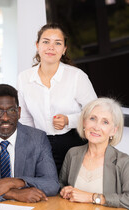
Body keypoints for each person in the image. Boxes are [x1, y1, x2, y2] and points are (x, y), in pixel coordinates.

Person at [17, 23, 97, 175]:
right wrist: (31, 144)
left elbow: (95, 114)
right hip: (39, 144)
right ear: (37, 45)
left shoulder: (77, 76)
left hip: (74, 144)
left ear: (64, 49)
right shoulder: (24, 78)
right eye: (46, 41)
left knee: (69, 191)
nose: (51, 47)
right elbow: (25, 117)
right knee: (43, 191)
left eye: (57, 43)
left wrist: (69, 120)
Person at [59, 98, 129, 210]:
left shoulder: (124, 161)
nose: (96, 127)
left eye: (105, 122)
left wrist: (92, 197)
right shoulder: (72, 153)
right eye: (92, 119)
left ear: (113, 131)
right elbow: (61, 184)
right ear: (84, 123)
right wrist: (64, 190)